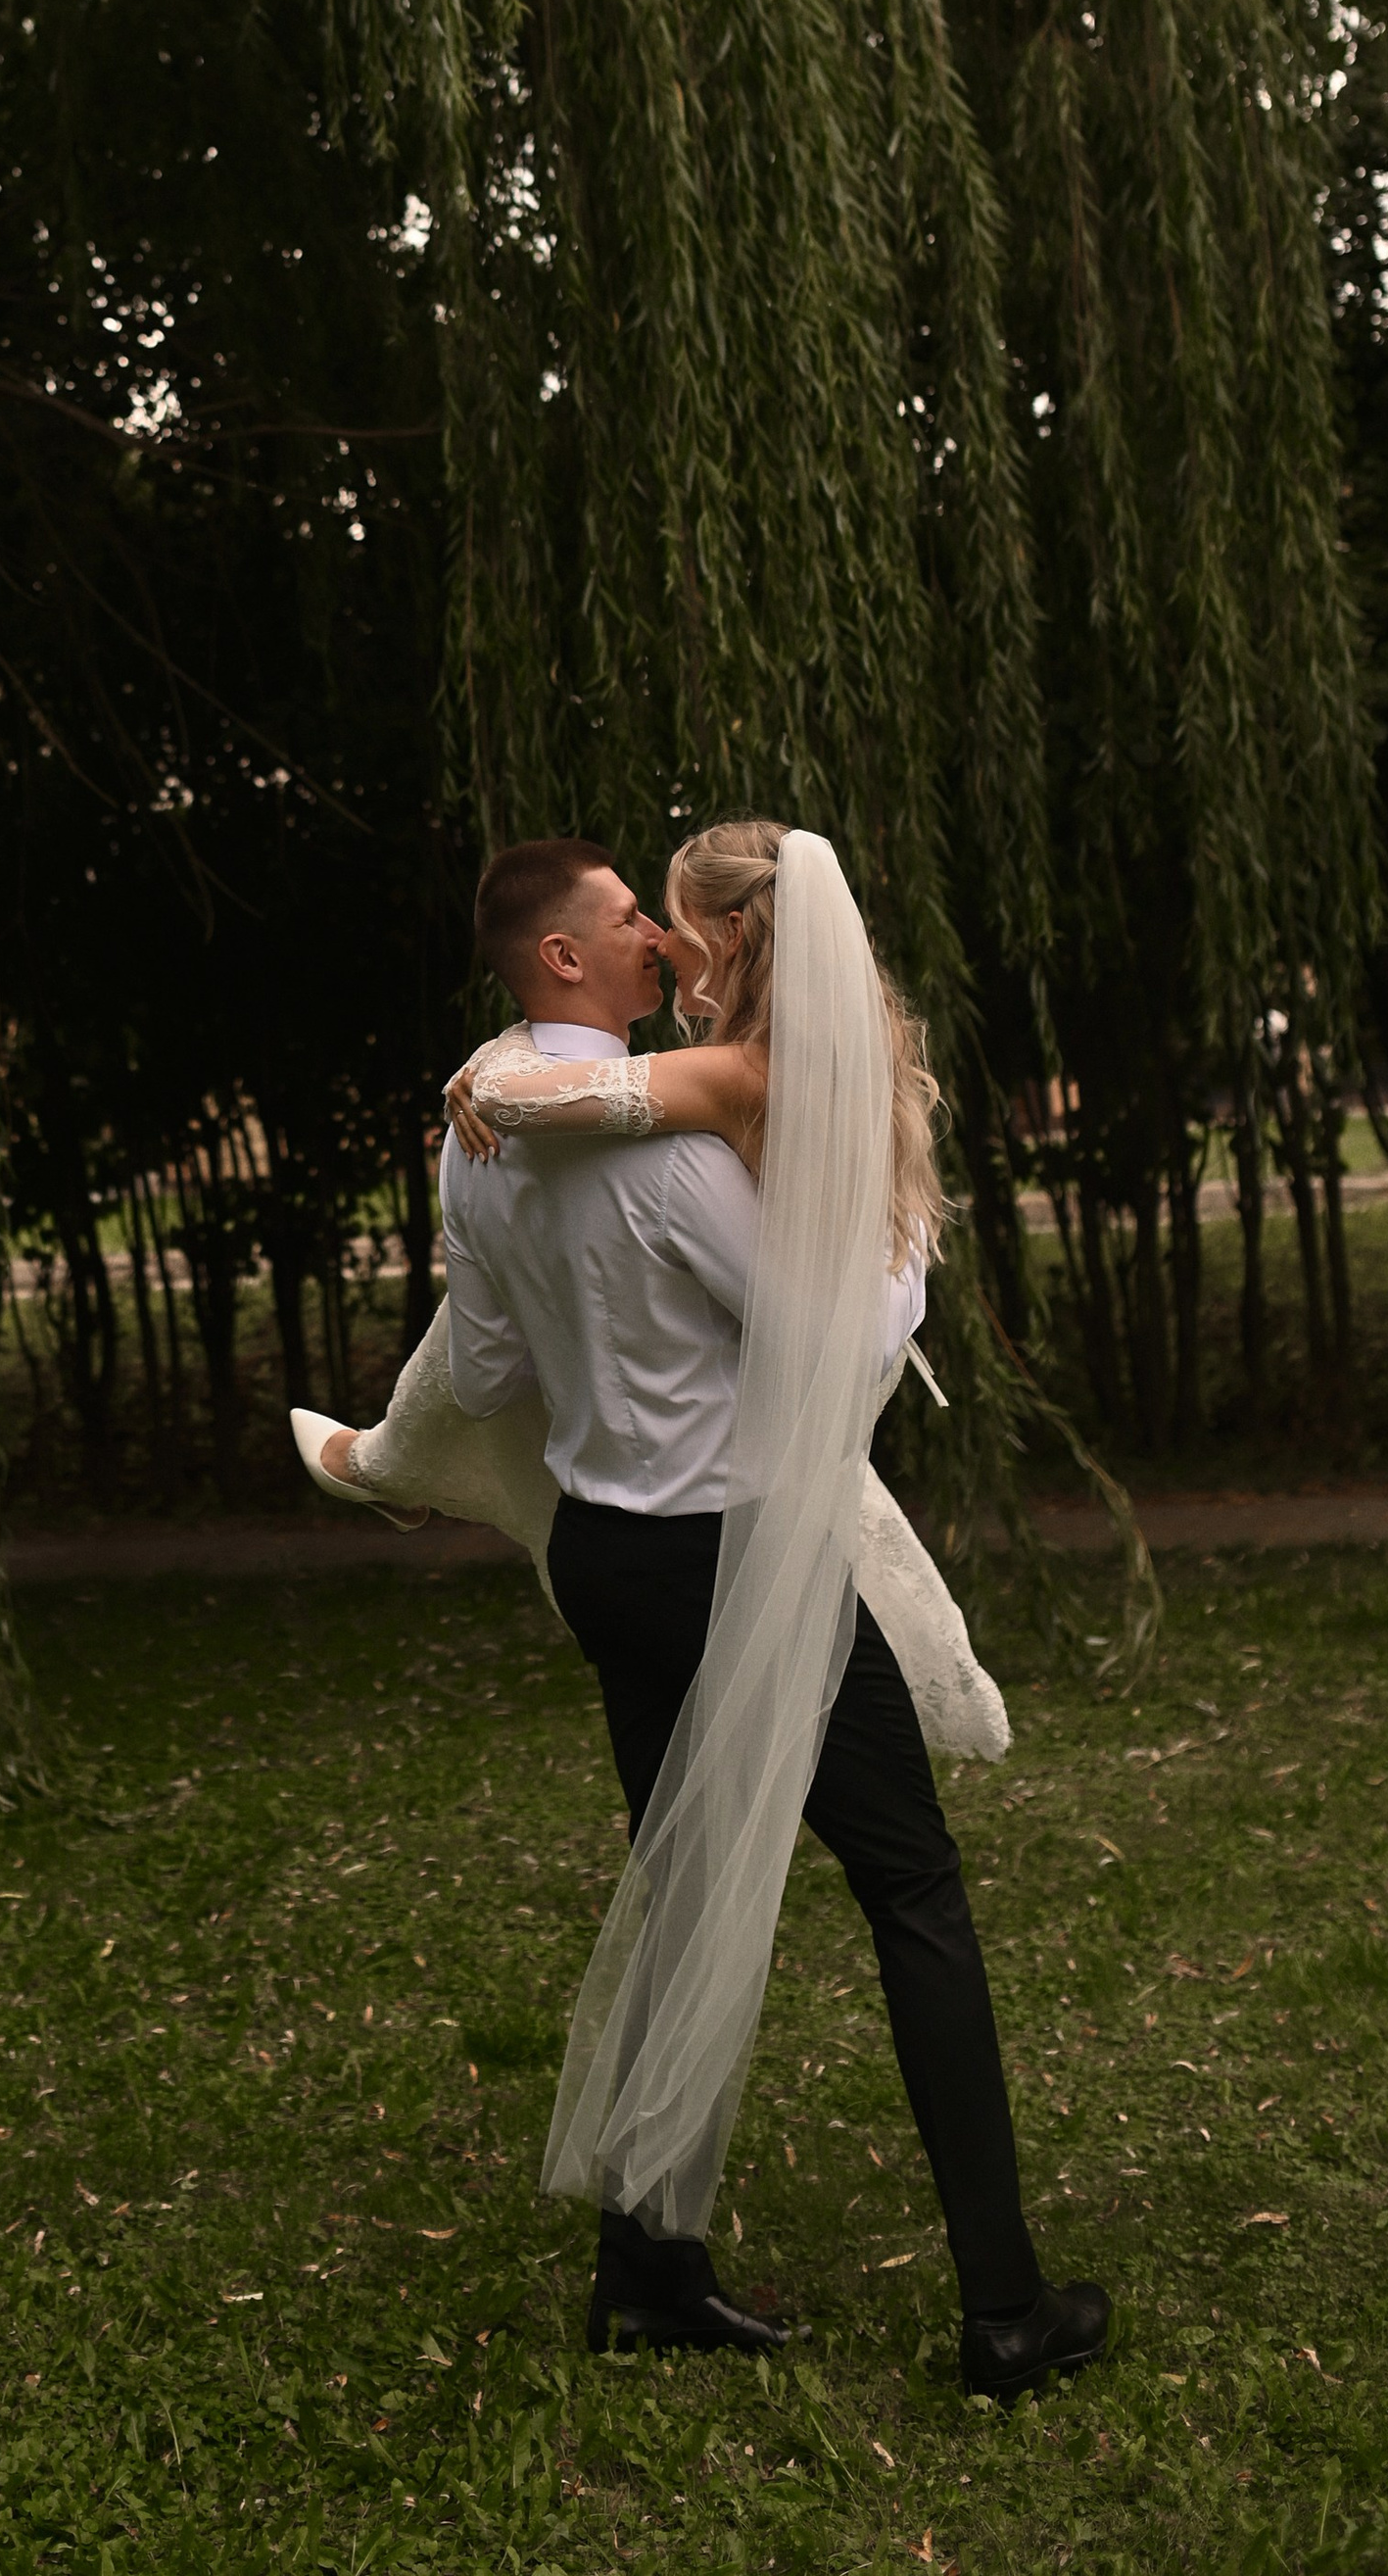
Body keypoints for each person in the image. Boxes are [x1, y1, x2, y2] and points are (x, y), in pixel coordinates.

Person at [299, 826, 1107, 2403]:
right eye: (625, 923)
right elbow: (838, 1342)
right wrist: (906, 1243)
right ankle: (1005, 2310)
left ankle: (648, 2275)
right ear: (563, 958)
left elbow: (481, 1372)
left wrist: (550, 1389)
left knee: (680, 1886)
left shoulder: (473, 1135)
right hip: (736, 1558)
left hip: (610, 1557)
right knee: (914, 1891)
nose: (658, 944)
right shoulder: (664, 1158)